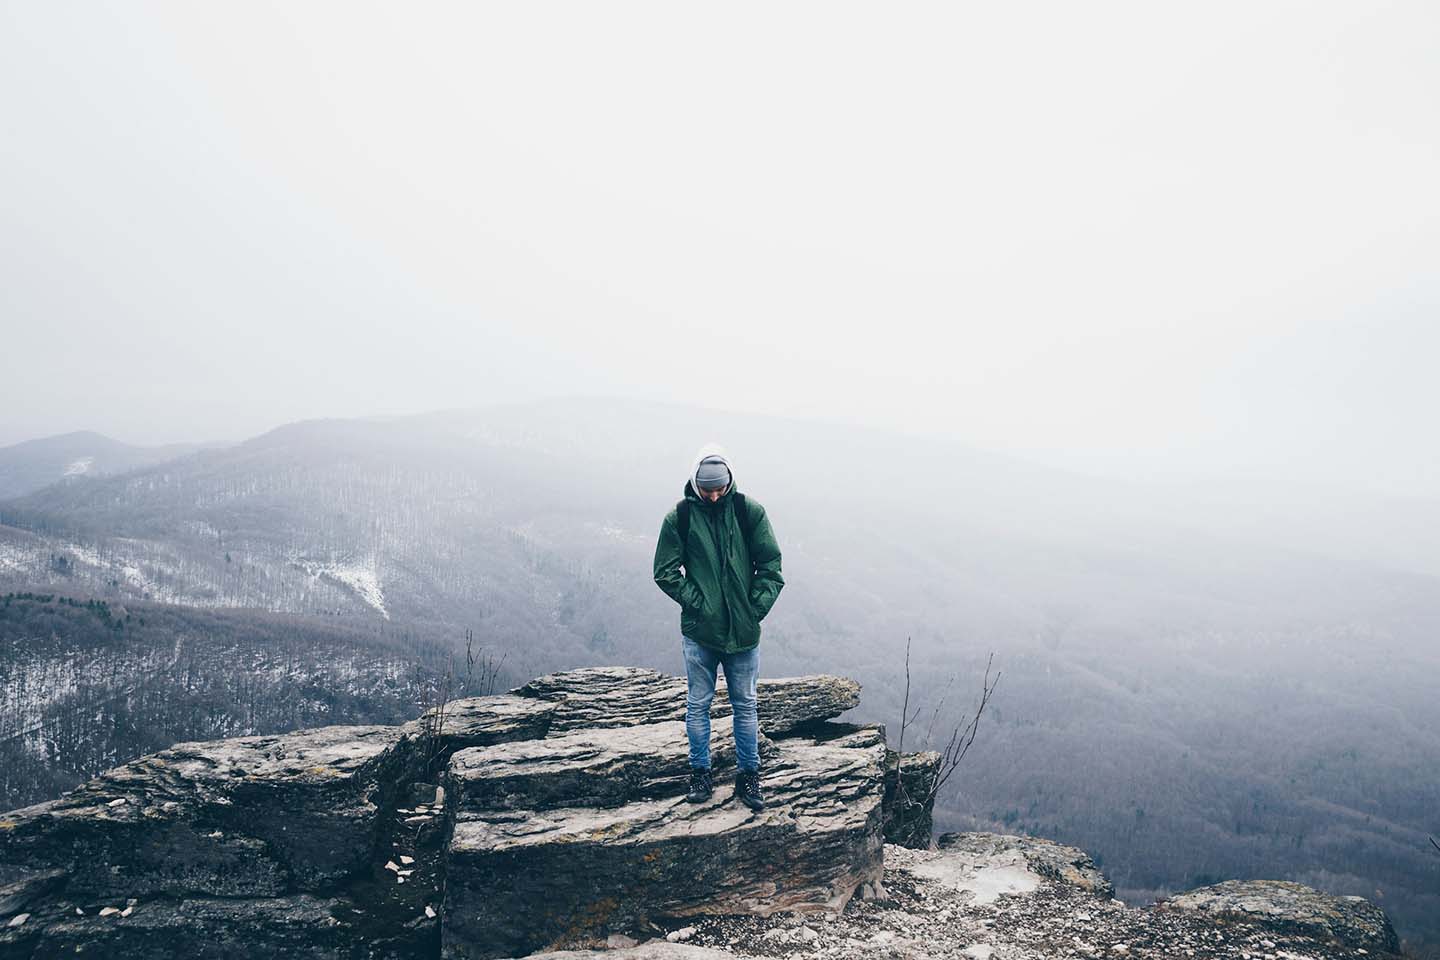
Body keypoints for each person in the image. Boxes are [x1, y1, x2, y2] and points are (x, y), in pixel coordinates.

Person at [652, 443, 784, 812]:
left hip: (743, 633)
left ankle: (749, 776)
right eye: (706, 488)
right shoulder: (678, 517)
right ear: (694, 482)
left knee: (746, 706)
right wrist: (699, 603)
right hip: (700, 633)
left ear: (729, 481)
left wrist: (752, 610)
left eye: (719, 488)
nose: (713, 495)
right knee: (698, 705)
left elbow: (771, 566)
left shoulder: (747, 511)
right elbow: (664, 572)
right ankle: (700, 773)